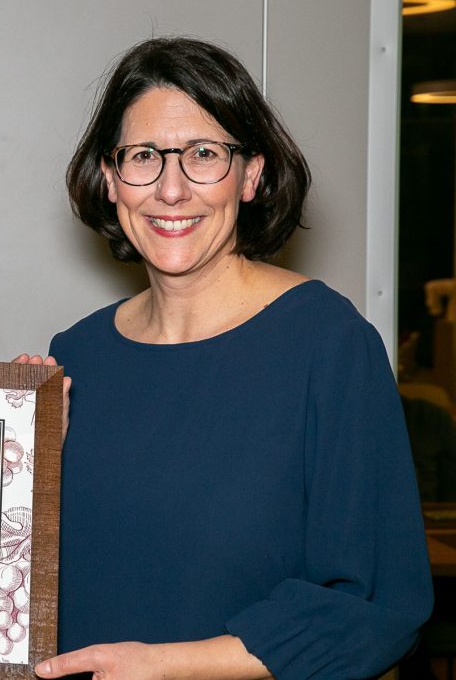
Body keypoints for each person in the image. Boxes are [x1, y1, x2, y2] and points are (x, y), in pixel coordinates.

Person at [33, 37, 433, 679]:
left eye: (202, 155)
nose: (170, 189)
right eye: (143, 157)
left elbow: (376, 604)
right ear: (109, 179)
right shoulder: (75, 356)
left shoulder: (327, 344)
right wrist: (10, 466)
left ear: (251, 175)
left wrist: (170, 666)